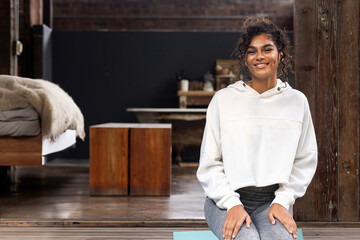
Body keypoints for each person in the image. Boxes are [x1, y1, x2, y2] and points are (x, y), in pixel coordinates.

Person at [197, 17, 318, 240]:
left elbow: (305, 159)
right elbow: (209, 164)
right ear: (246, 58)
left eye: (267, 49)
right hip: (224, 200)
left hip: (272, 201)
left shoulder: (297, 101)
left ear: (280, 54)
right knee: (248, 238)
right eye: (252, 51)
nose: (259, 56)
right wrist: (231, 203)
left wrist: (283, 201)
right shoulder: (223, 100)